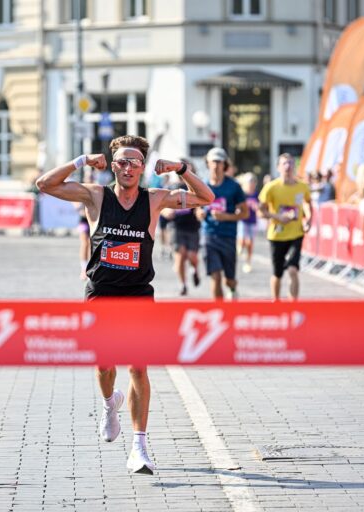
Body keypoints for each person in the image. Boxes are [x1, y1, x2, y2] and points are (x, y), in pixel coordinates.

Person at [35, 135, 214, 475]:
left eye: (134, 162)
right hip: (100, 292)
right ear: (112, 165)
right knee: (105, 366)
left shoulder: (156, 198)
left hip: (137, 294)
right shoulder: (95, 195)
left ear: (143, 167)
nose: (127, 168)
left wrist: (180, 168)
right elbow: (44, 184)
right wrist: (82, 161)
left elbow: (207, 197)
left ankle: (140, 446)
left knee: (138, 368)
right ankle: (108, 405)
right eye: (121, 161)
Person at [258, 153, 313, 301]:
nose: (288, 166)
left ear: (294, 167)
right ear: (278, 168)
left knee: (293, 270)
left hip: (296, 233)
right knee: (278, 273)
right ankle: (276, 303)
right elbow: (260, 211)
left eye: (290, 163)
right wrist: (278, 217)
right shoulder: (271, 187)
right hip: (277, 235)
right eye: (284, 164)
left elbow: (308, 203)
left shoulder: (302, 187)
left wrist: (308, 219)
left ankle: (292, 305)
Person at [196, 147, 248, 300]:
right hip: (209, 236)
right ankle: (219, 310)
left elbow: (245, 213)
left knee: (229, 279)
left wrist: (225, 216)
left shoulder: (234, 186)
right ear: (208, 163)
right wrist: (200, 213)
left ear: (225, 164)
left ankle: (232, 289)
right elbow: (197, 209)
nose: (216, 165)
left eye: (219, 162)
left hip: (228, 236)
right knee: (216, 276)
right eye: (213, 161)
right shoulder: (202, 185)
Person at [164, 161, 202, 295]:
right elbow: (162, 206)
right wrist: (166, 212)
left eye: (188, 171)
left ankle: (195, 270)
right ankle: (183, 284)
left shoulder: (196, 187)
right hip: (176, 227)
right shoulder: (172, 187)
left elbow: (201, 205)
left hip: (192, 227)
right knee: (180, 256)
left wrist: (199, 212)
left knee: (192, 256)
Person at [237, 173, 259, 274]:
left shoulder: (256, 195)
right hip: (243, 220)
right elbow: (237, 205)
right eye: (249, 182)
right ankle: (239, 246)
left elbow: (260, 207)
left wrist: (257, 207)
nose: (251, 184)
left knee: (250, 243)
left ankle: (248, 262)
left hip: (252, 221)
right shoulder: (242, 194)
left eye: (252, 182)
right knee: (243, 241)